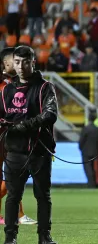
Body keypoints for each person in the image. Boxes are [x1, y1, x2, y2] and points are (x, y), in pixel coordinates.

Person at [0, 46, 58, 244]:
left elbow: (50, 115)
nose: (21, 66)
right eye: (17, 62)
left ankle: (44, 237)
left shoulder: (45, 87)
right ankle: (10, 239)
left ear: (33, 62)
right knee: (13, 197)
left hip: (39, 150)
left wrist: (25, 126)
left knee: (43, 196)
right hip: (14, 152)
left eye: (25, 62)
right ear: (13, 63)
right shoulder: (7, 90)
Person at [0, 47, 37, 226]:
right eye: (15, 61)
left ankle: (19, 215)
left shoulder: (14, 83)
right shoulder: (5, 86)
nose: (20, 64)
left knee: (13, 177)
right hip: (4, 139)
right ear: (7, 63)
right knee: (11, 178)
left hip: (11, 139)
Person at [78, 110, 98, 188]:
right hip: (95, 151)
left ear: (88, 119)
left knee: (87, 168)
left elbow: (81, 140)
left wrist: (81, 148)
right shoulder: (97, 129)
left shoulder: (86, 129)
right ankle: (93, 183)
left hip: (86, 151)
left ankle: (91, 184)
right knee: (92, 168)